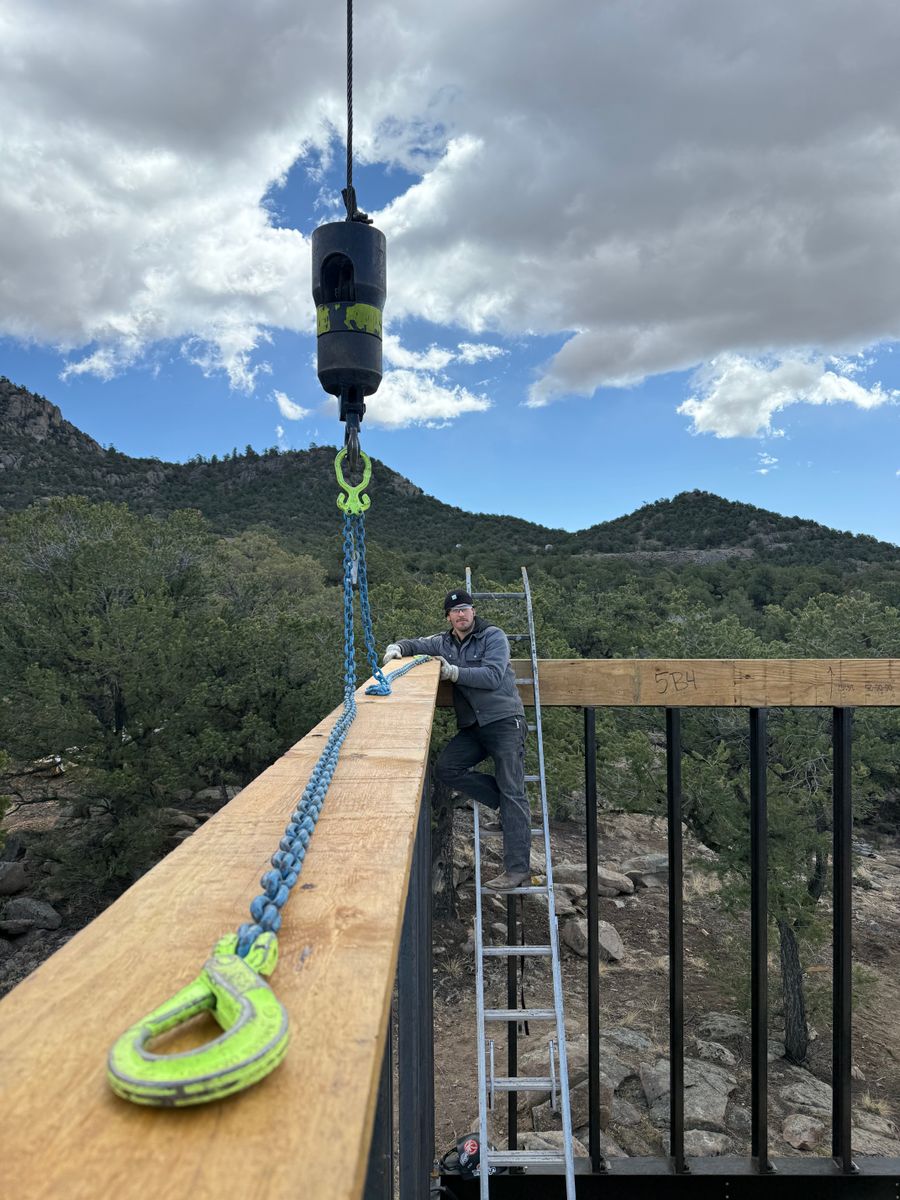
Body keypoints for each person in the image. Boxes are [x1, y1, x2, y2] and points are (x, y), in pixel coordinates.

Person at [384, 589, 531, 890]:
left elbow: (491, 676)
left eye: (465, 609)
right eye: (455, 611)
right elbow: (417, 643)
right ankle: (504, 803)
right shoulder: (443, 641)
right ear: (448, 617)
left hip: (504, 721)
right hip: (474, 726)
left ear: (473, 611)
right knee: (447, 769)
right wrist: (397, 648)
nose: (461, 615)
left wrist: (452, 672)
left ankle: (518, 870)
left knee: (513, 789)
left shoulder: (493, 636)